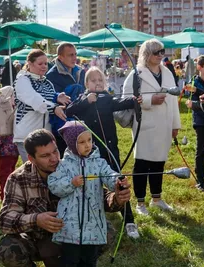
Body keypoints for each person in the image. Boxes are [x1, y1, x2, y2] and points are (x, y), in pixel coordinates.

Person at [0, 129, 131, 267]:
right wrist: (36, 220)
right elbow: (5, 220)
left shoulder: (71, 167)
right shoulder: (19, 178)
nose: (54, 159)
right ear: (31, 158)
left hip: (72, 233)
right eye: (45, 155)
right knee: (8, 248)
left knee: (106, 231)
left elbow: (100, 197)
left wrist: (117, 198)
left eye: (55, 151)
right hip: (37, 239)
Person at [66, 66, 142, 239]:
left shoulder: (107, 98)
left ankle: (129, 220)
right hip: (90, 151)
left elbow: (120, 103)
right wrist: (87, 101)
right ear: (86, 83)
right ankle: (94, 216)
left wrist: (134, 100)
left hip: (110, 148)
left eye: (100, 80)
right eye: (93, 80)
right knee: (92, 183)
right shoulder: (83, 98)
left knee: (118, 180)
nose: (98, 83)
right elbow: (69, 110)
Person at [122, 39, 181, 215]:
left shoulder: (167, 72)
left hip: (164, 124)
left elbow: (174, 101)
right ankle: (140, 203)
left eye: (162, 51)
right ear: (146, 54)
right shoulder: (136, 74)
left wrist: (175, 124)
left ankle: (157, 198)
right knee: (142, 163)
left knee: (159, 163)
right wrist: (149, 101)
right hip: (145, 124)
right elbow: (126, 99)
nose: (160, 55)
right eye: (156, 52)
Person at [47, 121, 119, 266]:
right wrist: (71, 184)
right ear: (72, 144)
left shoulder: (99, 163)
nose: (87, 145)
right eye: (81, 142)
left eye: (89, 140)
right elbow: (54, 185)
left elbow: (109, 175)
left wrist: (117, 181)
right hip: (69, 228)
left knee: (89, 261)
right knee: (70, 261)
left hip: (93, 224)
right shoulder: (63, 165)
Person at [13, 49, 69, 163]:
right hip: (26, 135)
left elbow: (47, 97)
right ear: (29, 63)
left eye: (45, 63)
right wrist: (53, 107)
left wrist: (57, 97)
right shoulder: (22, 80)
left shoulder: (47, 82)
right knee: (34, 172)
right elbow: (34, 99)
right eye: (40, 63)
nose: (44, 66)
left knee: (47, 172)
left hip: (45, 137)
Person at [46, 42, 86, 156]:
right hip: (62, 125)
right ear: (60, 57)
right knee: (65, 158)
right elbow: (52, 100)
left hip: (80, 120)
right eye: (70, 55)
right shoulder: (51, 76)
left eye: (75, 54)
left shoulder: (80, 71)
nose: (74, 58)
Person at [185, 55, 204, 191]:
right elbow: (194, 105)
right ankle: (200, 179)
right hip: (201, 122)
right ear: (199, 67)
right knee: (201, 151)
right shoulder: (194, 83)